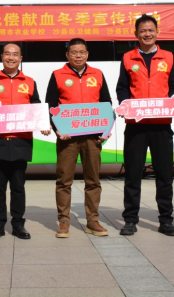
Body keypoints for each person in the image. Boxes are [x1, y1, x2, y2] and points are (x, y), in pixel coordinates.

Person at [116, 14, 174, 237]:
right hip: (136, 125)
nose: (147, 34)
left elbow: (173, 87)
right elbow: (122, 88)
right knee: (133, 175)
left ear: (157, 33)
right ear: (136, 34)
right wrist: (125, 105)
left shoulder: (168, 57)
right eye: (143, 31)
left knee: (164, 175)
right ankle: (130, 220)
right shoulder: (128, 58)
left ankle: (166, 220)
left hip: (162, 125)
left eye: (151, 30)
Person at [0, 43, 50, 240]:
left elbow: (35, 106)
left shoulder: (29, 82)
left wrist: (43, 123)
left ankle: (18, 224)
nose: (11, 57)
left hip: (21, 141)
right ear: (2, 56)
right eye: (8, 54)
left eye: (15, 54)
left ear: (20, 59)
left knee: (18, 187)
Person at [45, 38, 112, 238]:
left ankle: (93, 220)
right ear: (67, 55)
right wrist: (57, 128)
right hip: (68, 137)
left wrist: (105, 130)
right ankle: (64, 221)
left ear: (87, 54)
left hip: (92, 137)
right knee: (64, 180)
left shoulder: (97, 74)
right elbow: (51, 105)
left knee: (93, 181)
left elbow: (106, 104)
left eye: (82, 52)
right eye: (74, 52)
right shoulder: (57, 75)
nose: (78, 56)